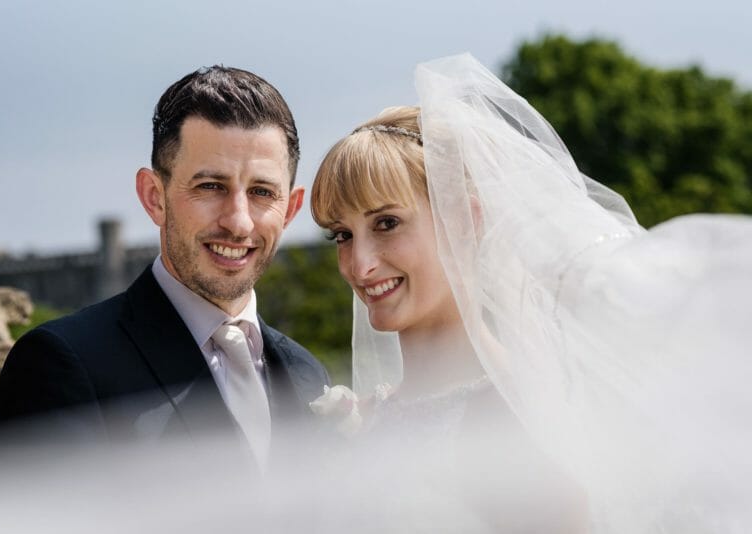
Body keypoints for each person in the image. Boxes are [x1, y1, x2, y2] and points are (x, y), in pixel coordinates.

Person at [310, 54, 752, 533]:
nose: (359, 264)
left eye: (387, 223)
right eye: (342, 235)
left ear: (464, 220)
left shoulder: (519, 413)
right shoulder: (368, 413)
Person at [0, 65, 330, 480]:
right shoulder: (61, 366)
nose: (239, 222)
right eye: (210, 187)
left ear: (289, 209)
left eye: (261, 192)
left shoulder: (307, 374)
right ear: (154, 197)